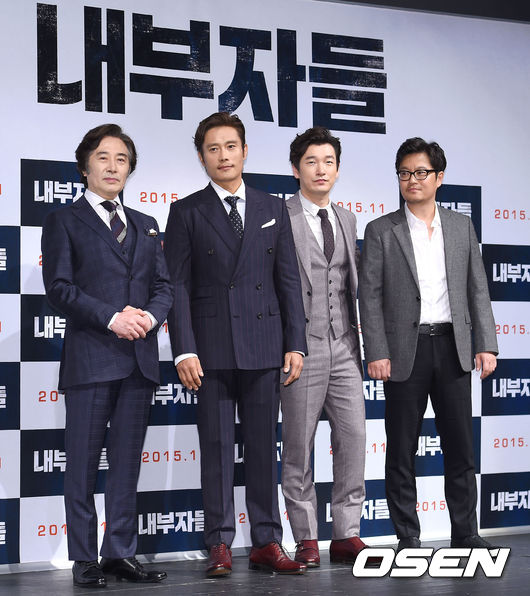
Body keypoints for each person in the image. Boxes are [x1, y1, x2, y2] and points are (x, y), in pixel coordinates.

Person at [164, 112, 307, 577]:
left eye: (230, 146)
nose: (223, 156)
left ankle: (267, 541)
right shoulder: (186, 212)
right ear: (201, 157)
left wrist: (296, 343)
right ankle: (219, 543)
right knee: (216, 449)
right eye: (213, 148)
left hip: (265, 345)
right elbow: (177, 286)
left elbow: (288, 280)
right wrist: (184, 349)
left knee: (265, 451)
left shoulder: (273, 207)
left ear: (245, 151)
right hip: (210, 350)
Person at [41, 124, 173, 587]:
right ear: (84, 166)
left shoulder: (145, 222)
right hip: (91, 359)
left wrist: (149, 318)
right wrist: (112, 317)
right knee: (81, 465)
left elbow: (163, 286)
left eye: (122, 159)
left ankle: (119, 552)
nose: (113, 166)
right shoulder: (64, 220)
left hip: (139, 360)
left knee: (126, 465)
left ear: (130, 169)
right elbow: (59, 288)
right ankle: (84, 557)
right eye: (103, 157)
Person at [359, 137, 498, 551]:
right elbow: (369, 297)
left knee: (461, 447)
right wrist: (377, 351)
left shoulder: (460, 226)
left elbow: (477, 289)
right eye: (404, 173)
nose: (412, 180)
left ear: (439, 177)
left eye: (421, 172)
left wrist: (485, 343)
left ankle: (466, 534)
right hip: (406, 352)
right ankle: (408, 537)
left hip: (453, 348)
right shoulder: (381, 230)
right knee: (401, 450)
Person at [281, 127, 379, 568]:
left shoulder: (347, 218)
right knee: (298, 445)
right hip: (301, 347)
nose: (321, 169)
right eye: (311, 161)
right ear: (296, 169)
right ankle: (305, 537)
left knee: (354, 438)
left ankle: (347, 533)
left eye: (329, 162)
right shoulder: (279, 215)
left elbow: (350, 284)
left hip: (345, 345)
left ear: (337, 170)